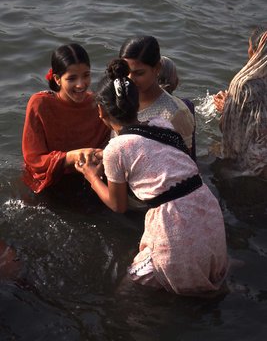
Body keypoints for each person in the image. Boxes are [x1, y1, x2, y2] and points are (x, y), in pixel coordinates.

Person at [75, 58, 228, 296]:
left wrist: (91, 176)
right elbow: (148, 152)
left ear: (100, 111)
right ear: (137, 103)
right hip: (206, 209)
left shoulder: (117, 148)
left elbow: (118, 205)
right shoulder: (161, 124)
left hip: (175, 223)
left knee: (127, 291)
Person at [22, 43, 110, 193]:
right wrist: (70, 157)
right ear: (57, 79)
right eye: (72, 78)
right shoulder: (40, 104)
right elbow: (34, 160)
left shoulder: (98, 103)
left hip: (89, 178)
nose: (81, 84)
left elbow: (108, 143)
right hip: (47, 181)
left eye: (86, 75)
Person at [119, 36, 195, 155]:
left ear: (157, 68)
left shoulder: (175, 113)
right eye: (125, 71)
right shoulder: (118, 98)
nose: (130, 79)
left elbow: (184, 164)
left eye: (139, 73)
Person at [214, 29, 267, 177]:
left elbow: (231, 131)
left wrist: (227, 110)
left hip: (252, 169)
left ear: (256, 51)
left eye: (249, 46)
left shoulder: (245, 84)